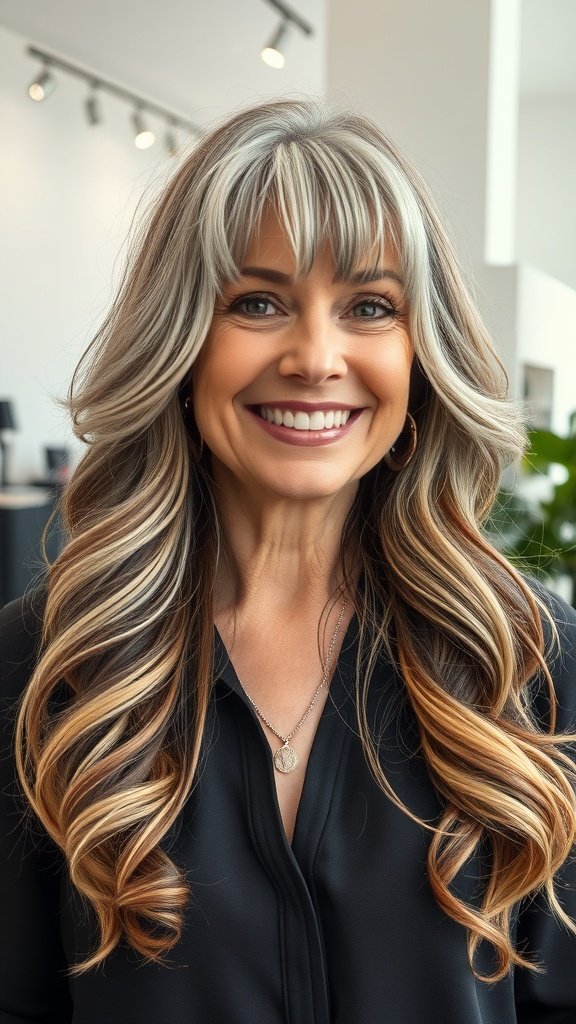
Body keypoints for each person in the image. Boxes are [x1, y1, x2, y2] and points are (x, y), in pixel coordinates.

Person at [1, 99, 575, 1024]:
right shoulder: (48, 662)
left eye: (370, 308)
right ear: (181, 342)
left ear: (420, 355)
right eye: (257, 303)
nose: (315, 358)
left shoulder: (529, 655)